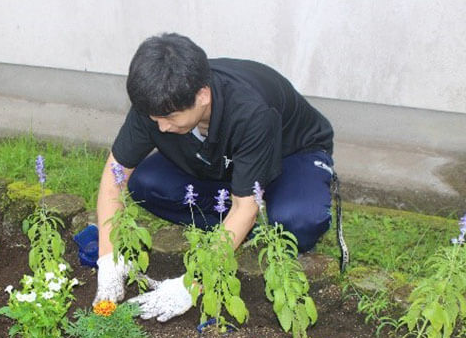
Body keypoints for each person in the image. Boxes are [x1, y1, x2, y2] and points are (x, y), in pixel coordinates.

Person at [94, 33, 335, 322]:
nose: (161, 127)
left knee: (300, 220)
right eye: (154, 118)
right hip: (224, 163)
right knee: (144, 184)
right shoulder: (158, 102)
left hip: (293, 154)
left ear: (202, 97)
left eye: (169, 117)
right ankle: (241, 225)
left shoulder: (251, 112)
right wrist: (108, 260)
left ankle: (248, 217)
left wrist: (191, 284)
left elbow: (246, 205)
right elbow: (114, 177)